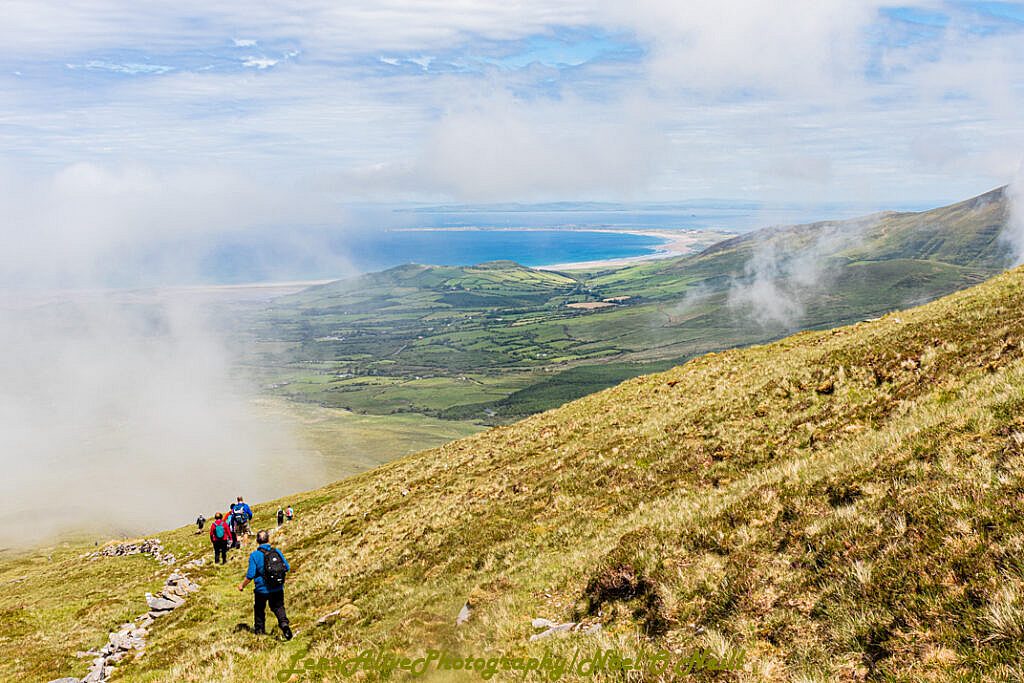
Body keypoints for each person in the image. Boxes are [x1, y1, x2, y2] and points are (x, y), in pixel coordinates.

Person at [238, 529, 292, 639]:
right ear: (268, 539)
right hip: (277, 587)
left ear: (257, 541)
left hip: (261, 590)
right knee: (278, 607)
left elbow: (251, 574)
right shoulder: (276, 551)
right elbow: (287, 567)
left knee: (259, 610)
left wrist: (242, 585)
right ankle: (284, 625)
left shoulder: (254, 555)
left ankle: (260, 632)